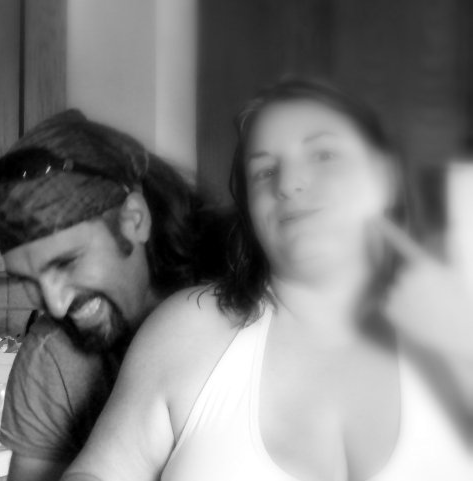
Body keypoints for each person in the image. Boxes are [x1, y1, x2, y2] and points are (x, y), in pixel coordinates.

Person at [62, 78, 473, 481]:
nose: (289, 184)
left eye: (323, 155)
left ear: (384, 176)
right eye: (264, 170)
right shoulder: (186, 330)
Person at [0, 109, 226, 481]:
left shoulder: (237, 309)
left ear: (134, 220)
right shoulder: (52, 358)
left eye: (67, 262)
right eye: (27, 280)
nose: (56, 305)